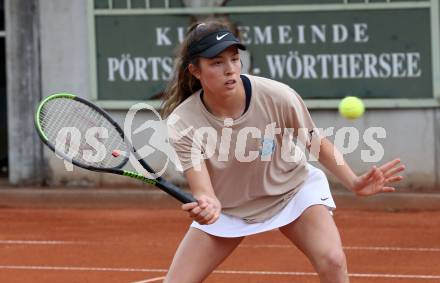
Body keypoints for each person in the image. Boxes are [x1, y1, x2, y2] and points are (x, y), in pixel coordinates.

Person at [161, 20, 405, 283]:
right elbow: (204, 191)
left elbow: (315, 142)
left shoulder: (277, 96)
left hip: (291, 192)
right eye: (217, 63)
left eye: (234, 59)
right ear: (195, 71)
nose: (230, 70)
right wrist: (208, 205)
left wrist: (354, 181)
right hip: (230, 208)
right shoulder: (183, 122)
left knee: (333, 261)